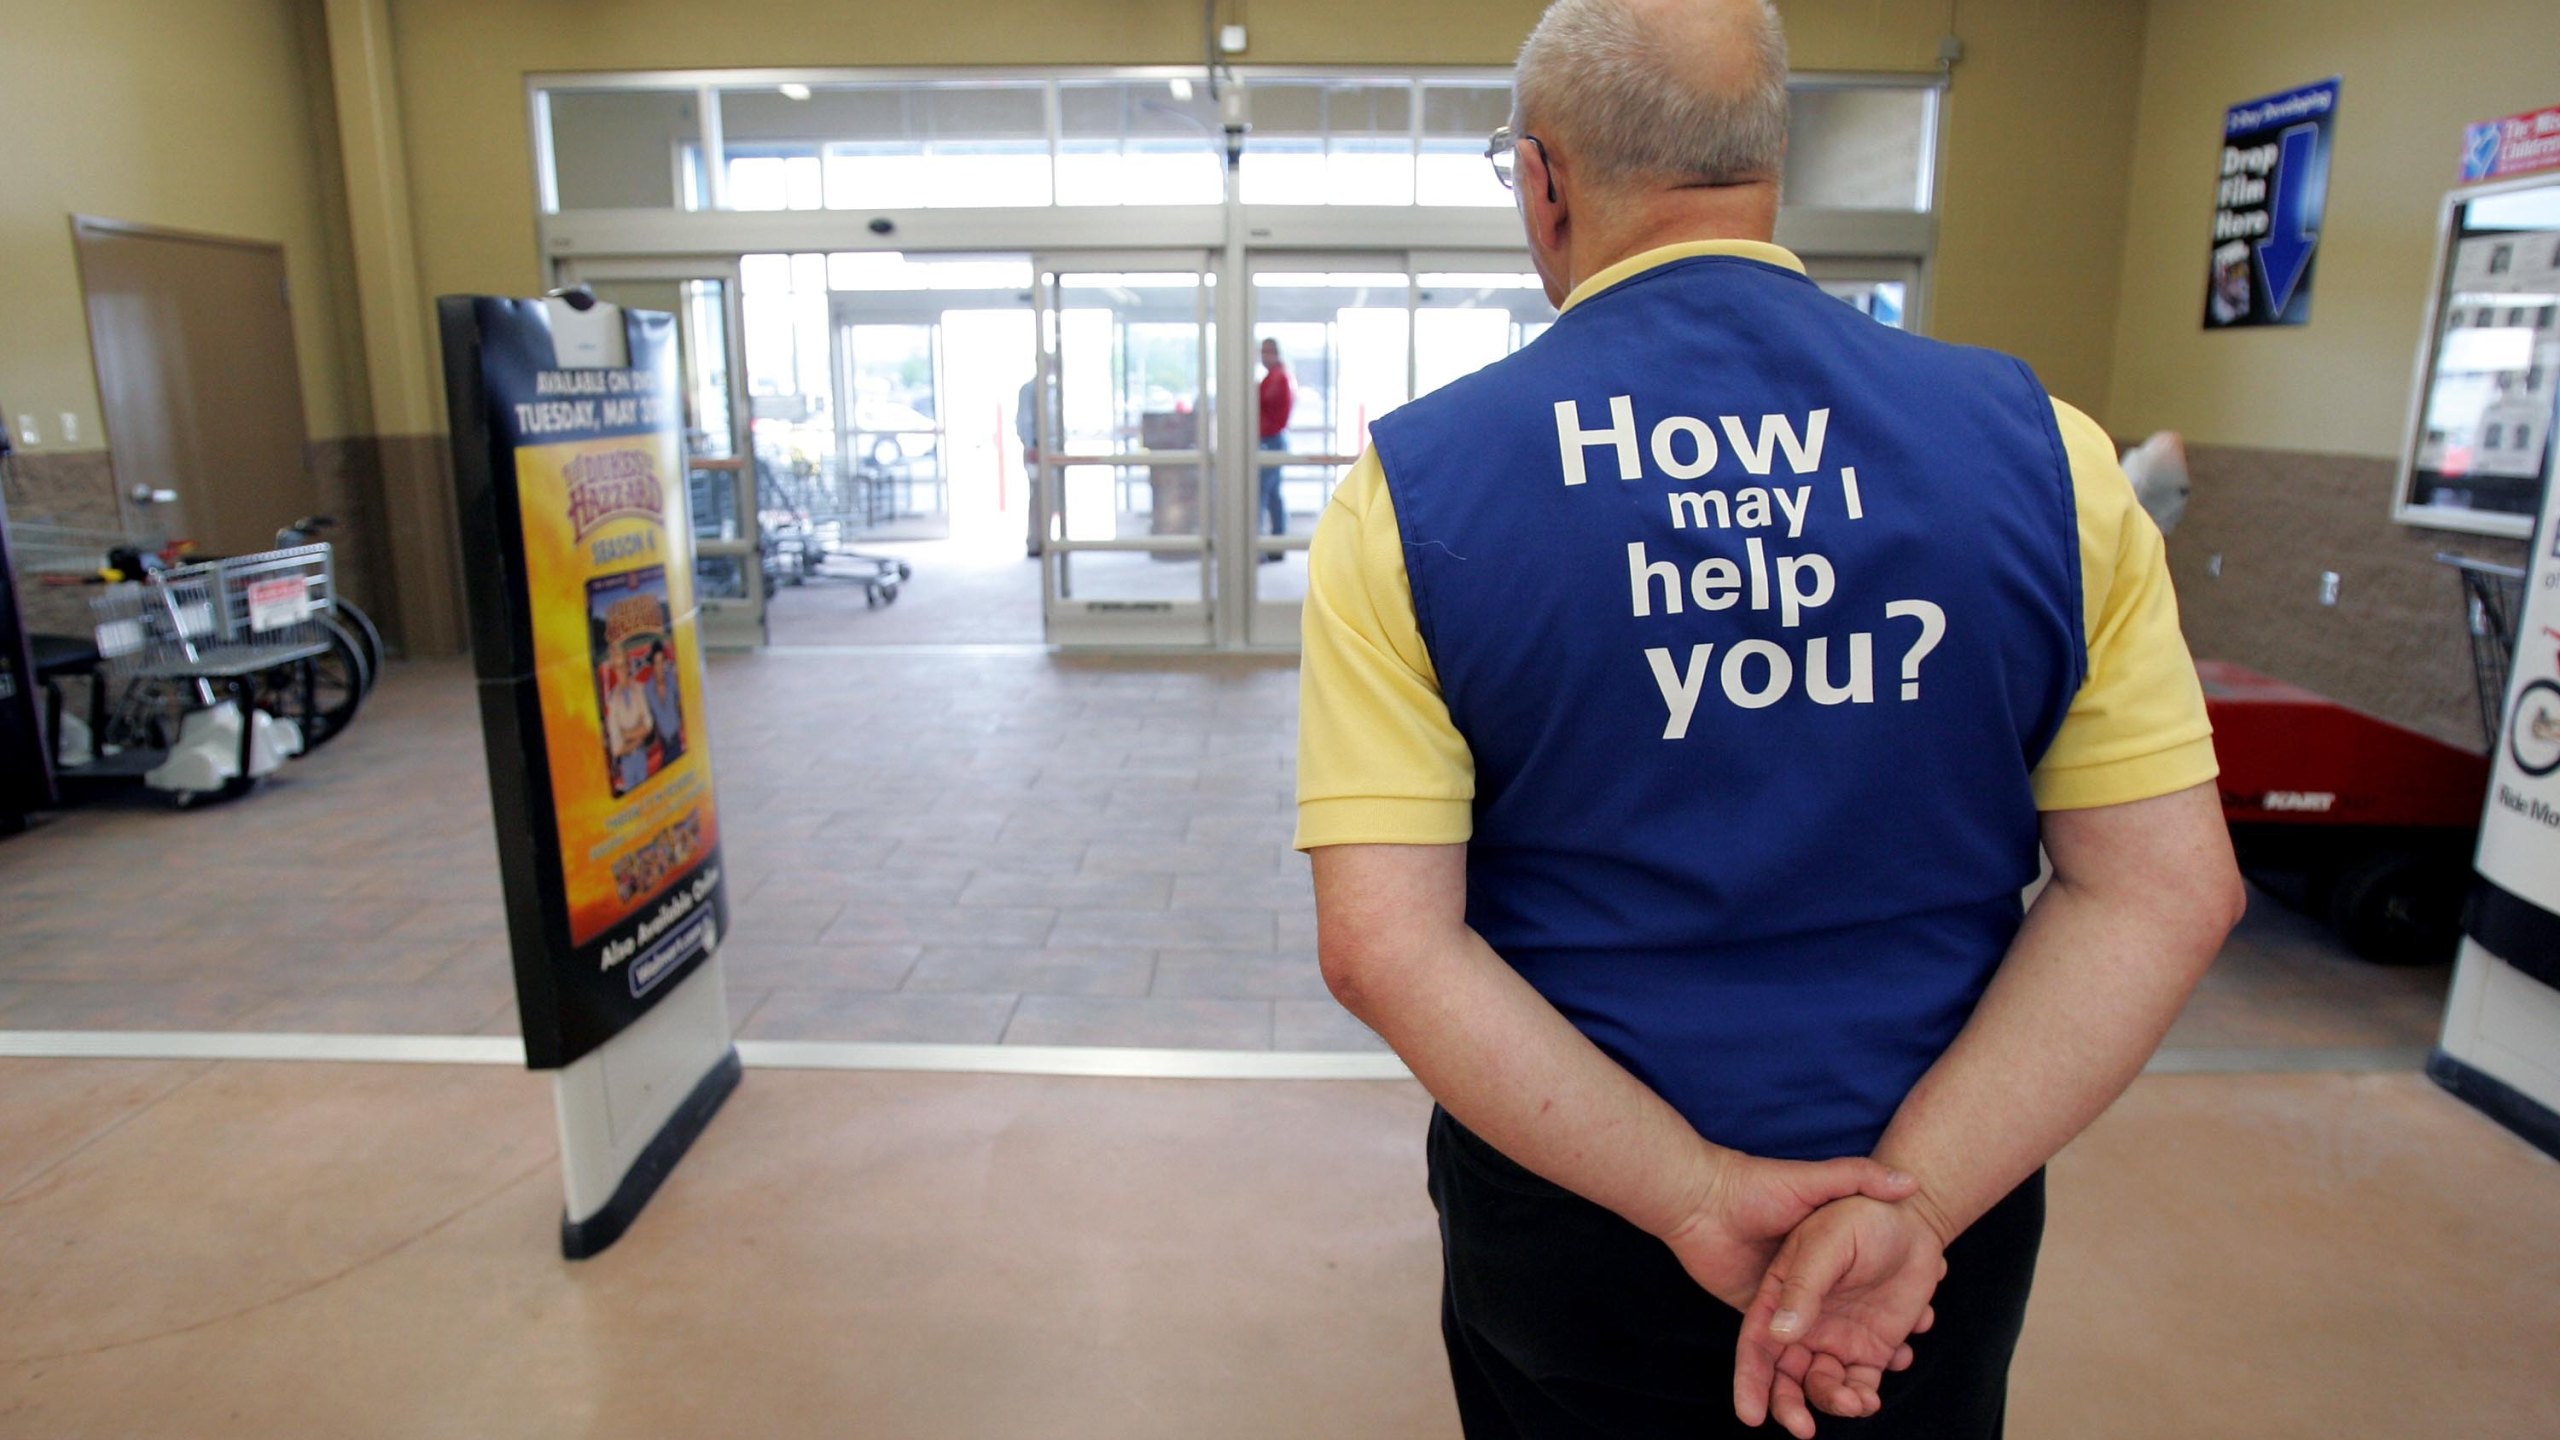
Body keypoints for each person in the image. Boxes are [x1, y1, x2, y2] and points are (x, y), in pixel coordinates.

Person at [1294, 2, 2245, 1437]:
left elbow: (1387, 946)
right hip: (1925, 1239)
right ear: (1768, 164)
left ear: (1543, 182)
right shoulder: (2049, 457)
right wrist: (1909, 1207)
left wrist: (1695, 1193)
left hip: (1580, 1232)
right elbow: (2165, 891)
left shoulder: (1417, 495)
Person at [1258, 338, 1295, 557]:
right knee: (1272, 495)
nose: (1265, 356)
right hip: (1272, 439)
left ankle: (1262, 549)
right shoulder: (1274, 377)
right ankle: (1275, 547)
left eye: (1268, 352)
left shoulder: (1278, 379)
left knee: (1261, 495)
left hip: (1271, 440)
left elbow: (1264, 403)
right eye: (1263, 352)